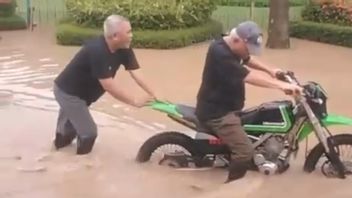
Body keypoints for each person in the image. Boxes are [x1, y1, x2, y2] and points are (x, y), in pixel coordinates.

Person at [195, 21, 303, 183]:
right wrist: (281, 85)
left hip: (230, 106)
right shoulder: (220, 53)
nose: (248, 52)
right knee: (245, 152)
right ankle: (230, 188)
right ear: (238, 40)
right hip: (217, 113)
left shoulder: (232, 45)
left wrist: (271, 70)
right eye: (248, 47)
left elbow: (247, 59)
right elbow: (248, 76)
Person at [53, 15, 159, 155]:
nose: (131, 35)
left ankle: (57, 155)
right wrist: (135, 101)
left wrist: (155, 94)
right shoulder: (97, 50)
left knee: (68, 131)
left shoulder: (124, 48)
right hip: (68, 93)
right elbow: (109, 86)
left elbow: (136, 72)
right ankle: (81, 167)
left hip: (83, 95)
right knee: (89, 133)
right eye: (128, 32)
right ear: (115, 36)